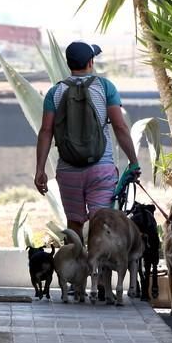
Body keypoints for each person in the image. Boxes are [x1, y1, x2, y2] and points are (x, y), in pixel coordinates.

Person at [34, 41, 140, 242]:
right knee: (101, 224)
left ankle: (75, 272)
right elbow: (120, 127)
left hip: (68, 171)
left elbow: (46, 131)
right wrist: (133, 161)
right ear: (91, 62)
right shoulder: (105, 87)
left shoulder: (55, 93)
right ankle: (99, 271)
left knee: (74, 224)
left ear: (68, 64)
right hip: (101, 168)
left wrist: (40, 169)